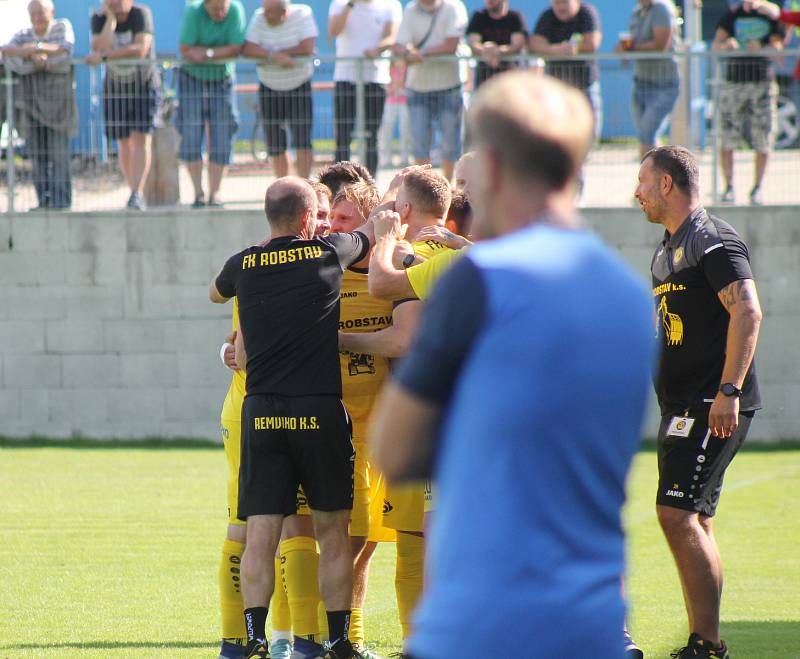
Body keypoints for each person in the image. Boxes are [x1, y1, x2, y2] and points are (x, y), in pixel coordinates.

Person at [367, 71, 654, 659]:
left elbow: (393, 451)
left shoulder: (480, 282)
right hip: (591, 623)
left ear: (495, 168)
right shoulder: (625, 294)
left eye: (468, 183)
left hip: (484, 620)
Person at [210, 176, 376, 659]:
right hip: (318, 411)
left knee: (260, 533)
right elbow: (371, 233)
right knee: (332, 529)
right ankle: (340, 640)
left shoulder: (244, 262)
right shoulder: (325, 254)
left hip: (261, 414)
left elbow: (215, 295)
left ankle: (255, 639)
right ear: (309, 219)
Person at [634, 145, 762, 659]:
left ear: (667, 184)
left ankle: (707, 644)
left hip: (711, 403)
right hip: (681, 405)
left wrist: (728, 390)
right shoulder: (668, 248)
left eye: (643, 181)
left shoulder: (712, 241)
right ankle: (701, 641)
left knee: (675, 514)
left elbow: (748, 313)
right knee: (695, 519)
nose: (636, 192)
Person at [2, 0, 75, 210]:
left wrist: (35, 50)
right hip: (32, 107)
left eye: (41, 13)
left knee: (59, 155)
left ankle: (62, 203)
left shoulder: (62, 27)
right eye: (33, 13)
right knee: (38, 156)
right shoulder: (23, 33)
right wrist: (35, 58)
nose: (37, 18)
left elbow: (65, 52)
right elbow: (6, 52)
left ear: (52, 12)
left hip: (58, 108)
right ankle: (44, 201)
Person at [87, 0, 159, 211]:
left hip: (143, 86)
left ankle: (137, 191)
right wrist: (110, 19)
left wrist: (105, 56)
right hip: (116, 88)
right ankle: (133, 192)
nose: (115, 3)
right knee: (124, 142)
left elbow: (140, 49)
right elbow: (98, 45)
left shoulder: (141, 14)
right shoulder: (99, 19)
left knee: (140, 138)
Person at [712, 2, 785, 206]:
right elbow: (716, 45)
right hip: (734, 82)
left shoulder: (769, 15)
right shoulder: (731, 16)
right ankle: (729, 187)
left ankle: (757, 188)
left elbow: (779, 47)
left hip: (761, 82)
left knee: (763, 135)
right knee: (727, 135)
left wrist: (762, 48)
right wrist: (727, 46)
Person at [178, 0, 246, 208]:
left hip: (222, 81)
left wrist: (207, 53)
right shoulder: (193, 11)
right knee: (190, 136)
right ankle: (198, 193)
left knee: (222, 136)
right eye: (216, 9)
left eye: (223, 7)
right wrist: (218, 51)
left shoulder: (235, 9)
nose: (221, 13)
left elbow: (236, 48)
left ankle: (215, 193)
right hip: (192, 80)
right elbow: (186, 49)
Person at [393, 0, 469, 182]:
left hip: (449, 87)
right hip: (417, 88)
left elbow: (451, 45)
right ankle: (424, 188)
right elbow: (399, 45)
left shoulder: (454, 7)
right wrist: (407, 52)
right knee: (419, 144)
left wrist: (421, 53)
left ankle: (449, 188)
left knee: (451, 144)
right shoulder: (411, 9)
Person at [243, 0, 318, 179]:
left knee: (302, 141)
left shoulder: (303, 14)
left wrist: (282, 54)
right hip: (269, 86)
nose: (266, 16)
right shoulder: (259, 16)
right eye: (266, 11)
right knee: (275, 143)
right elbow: (248, 48)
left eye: (272, 14)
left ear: (285, 12)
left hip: (300, 85)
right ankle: (284, 187)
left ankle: (305, 185)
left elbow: (308, 46)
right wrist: (274, 56)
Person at [329, 0, 401, 176]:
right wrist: (350, 5)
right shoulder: (340, 4)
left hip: (375, 78)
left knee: (371, 136)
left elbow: (391, 36)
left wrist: (378, 49)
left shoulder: (390, 5)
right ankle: (340, 183)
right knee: (343, 135)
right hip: (345, 78)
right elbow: (333, 31)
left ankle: (370, 184)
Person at [529, 0, 602, 140]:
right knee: (557, 130)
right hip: (557, 87)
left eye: (565, 2)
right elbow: (535, 43)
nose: (561, 7)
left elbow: (592, 42)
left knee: (591, 131)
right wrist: (556, 50)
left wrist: (574, 48)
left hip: (585, 84)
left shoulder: (586, 13)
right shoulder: (547, 16)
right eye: (557, 3)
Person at [616, 0, 680, 157]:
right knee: (647, 136)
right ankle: (662, 174)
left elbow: (660, 45)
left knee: (647, 133)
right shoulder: (637, 12)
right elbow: (631, 43)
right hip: (641, 82)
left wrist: (632, 49)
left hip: (664, 84)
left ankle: (646, 179)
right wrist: (623, 50)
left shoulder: (662, 8)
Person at [465, 0, 527, 88]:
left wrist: (496, 51)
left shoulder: (515, 17)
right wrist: (486, 50)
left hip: (511, 79)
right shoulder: (479, 16)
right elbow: (473, 43)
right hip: (485, 80)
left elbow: (517, 45)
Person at [378, 58, 411, 169]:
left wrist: (395, 86)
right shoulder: (388, 67)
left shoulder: (408, 68)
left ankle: (404, 158)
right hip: (390, 102)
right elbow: (387, 86)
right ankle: (386, 159)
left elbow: (402, 84)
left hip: (404, 103)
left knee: (405, 131)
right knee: (386, 131)